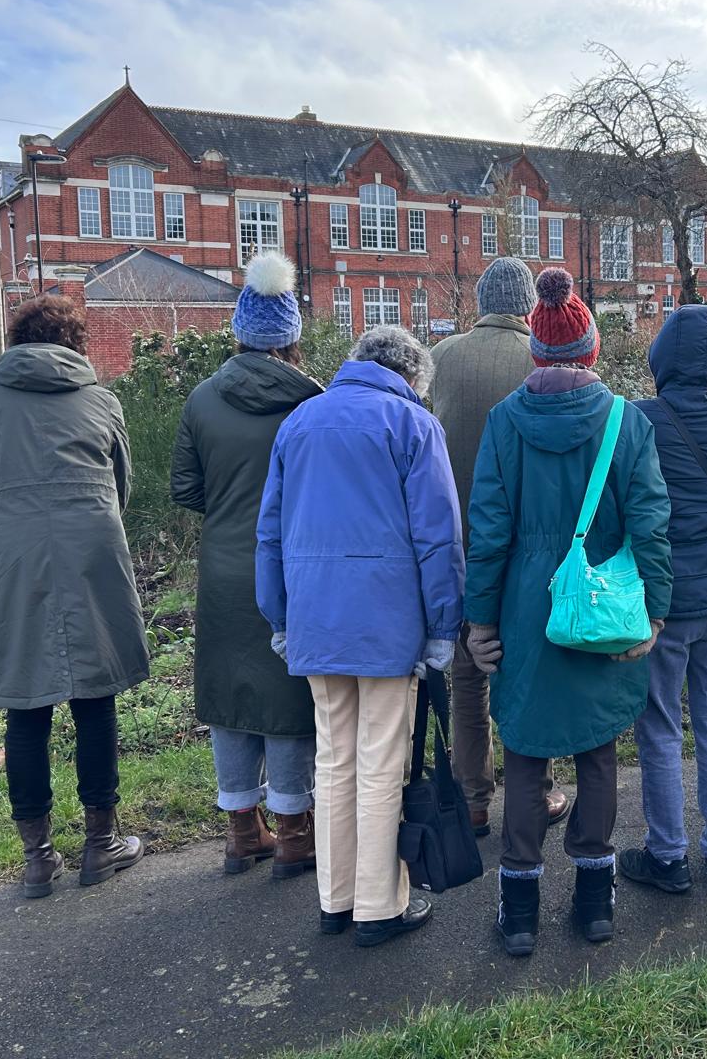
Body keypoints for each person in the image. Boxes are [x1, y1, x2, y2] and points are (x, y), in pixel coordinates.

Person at [463, 268, 672, 957]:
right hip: (602, 608)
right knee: (598, 749)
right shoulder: (626, 422)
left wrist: (480, 620)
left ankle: (520, 907)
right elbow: (651, 526)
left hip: (525, 608)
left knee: (525, 752)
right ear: (590, 349)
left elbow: (488, 531)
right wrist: (656, 610)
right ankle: (593, 899)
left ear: (535, 350)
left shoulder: (504, 421)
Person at [256, 325, 462, 947]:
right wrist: (443, 626)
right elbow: (438, 537)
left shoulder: (299, 421)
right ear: (412, 376)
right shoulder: (413, 424)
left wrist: (279, 617)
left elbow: (270, 531)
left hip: (315, 617)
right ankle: (378, 906)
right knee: (381, 762)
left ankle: (335, 897)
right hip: (388, 622)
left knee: (333, 759)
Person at [0, 295, 148, 898]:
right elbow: (122, 485)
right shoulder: (102, 400)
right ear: (75, 343)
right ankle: (100, 843)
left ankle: (37, 859)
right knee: (95, 696)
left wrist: (8, 519)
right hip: (92, 549)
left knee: (25, 703)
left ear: (17, 341)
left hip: (13, 555)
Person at [171, 252, 323, 878]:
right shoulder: (311, 402)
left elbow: (185, 488)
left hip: (224, 566)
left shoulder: (202, 400)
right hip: (291, 567)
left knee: (230, 690)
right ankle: (294, 833)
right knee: (288, 695)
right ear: (291, 337)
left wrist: (232, 508)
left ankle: (241, 831)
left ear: (237, 331)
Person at [429, 257, 570, 837]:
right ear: (528, 307)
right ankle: (537, 789)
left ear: (482, 301)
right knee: (528, 668)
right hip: (530, 541)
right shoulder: (542, 359)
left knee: (468, 675)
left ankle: (473, 797)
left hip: (456, 542)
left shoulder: (440, 357)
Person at [625, 305, 707, 894]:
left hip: (665, 600)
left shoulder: (637, 418)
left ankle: (668, 855)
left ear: (660, 359)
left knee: (659, 728)